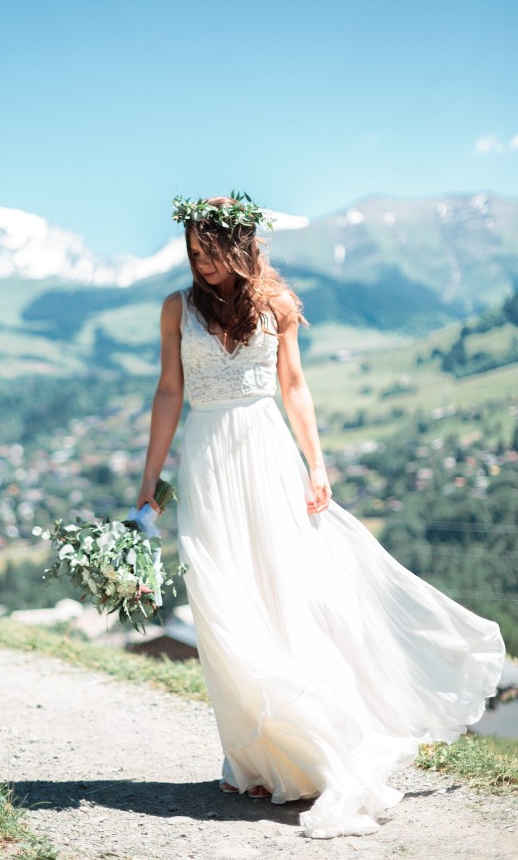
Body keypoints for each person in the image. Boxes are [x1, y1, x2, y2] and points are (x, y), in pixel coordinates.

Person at [136, 193, 505, 839]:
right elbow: (169, 389)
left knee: (282, 596)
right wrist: (150, 483)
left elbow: (293, 387)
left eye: (211, 251)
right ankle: (251, 758)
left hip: (266, 456)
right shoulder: (176, 307)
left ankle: (311, 746)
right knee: (222, 604)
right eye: (192, 252)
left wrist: (315, 464)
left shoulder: (275, 304)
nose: (201, 263)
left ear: (240, 245)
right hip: (206, 461)